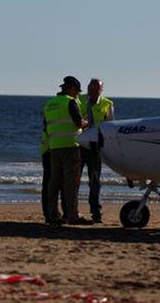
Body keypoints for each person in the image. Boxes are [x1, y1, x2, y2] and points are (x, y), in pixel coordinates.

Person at [43, 76, 91, 226]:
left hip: (54, 147)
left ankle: (52, 215)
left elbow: (46, 126)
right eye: (77, 91)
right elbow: (78, 123)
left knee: (54, 183)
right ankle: (72, 215)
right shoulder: (70, 102)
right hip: (70, 145)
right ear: (71, 89)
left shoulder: (49, 104)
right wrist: (87, 122)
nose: (77, 94)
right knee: (71, 183)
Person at [78, 78, 114, 223]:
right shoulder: (79, 100)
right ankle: (70, 211)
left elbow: (110, 127)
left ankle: (96, 212)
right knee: (74, 180)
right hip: (79, 144)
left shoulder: (107, 104)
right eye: (90, 89)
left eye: (96, 90)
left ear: (101, 90)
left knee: (94, 181)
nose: (92, 93)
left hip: (94, 146)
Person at [40, 129, 66, 223]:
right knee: (60, 183)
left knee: (49, 183)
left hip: (48, 147)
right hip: (56, 147)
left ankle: (49, 214)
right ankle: (55, 214)